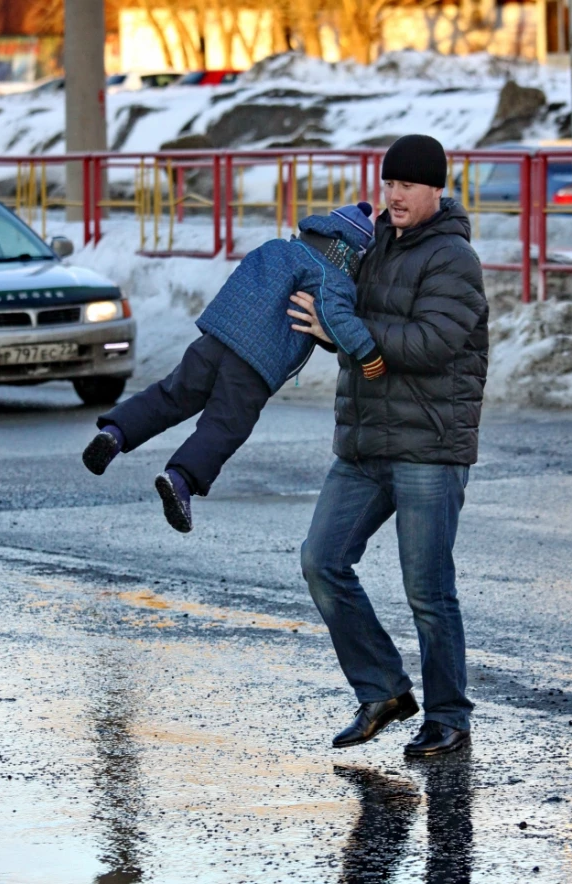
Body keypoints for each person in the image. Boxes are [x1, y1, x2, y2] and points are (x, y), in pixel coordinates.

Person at [293, 135, 489, 757]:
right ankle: (382, 690)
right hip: (364, 443)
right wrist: (321, 323)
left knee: (428, 591)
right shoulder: (372, 243)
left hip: (429, 445)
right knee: (321, 561)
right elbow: (353, 326)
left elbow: (431, 343)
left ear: (436, 189)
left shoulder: (454, 259)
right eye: (389, 183)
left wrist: (348, 331)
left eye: (408, 185)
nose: (395, 195)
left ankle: (449, 716)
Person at [82, 203, 385, 533]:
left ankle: (114, 433)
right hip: (256, 361)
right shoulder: (332, 274)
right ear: (352, 253)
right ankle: (181, 479)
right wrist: (369, 355)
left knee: (173, 394)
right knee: (226, 424)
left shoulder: (278, 247)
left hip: (216, 339)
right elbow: (336, 319)